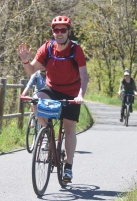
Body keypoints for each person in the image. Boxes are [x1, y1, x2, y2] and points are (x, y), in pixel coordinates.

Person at [18, 16, 89, 182]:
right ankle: (48, 133)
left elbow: (84, 75)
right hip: (53, 89)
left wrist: (80, 95)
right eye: (56, 30)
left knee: (69, 128)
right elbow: (31, 70)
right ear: (53, 32)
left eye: (63, 30)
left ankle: (68, 167)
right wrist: (25, 61)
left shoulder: (76, 50)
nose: (59, 33)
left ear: (68, 32)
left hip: (72, 92)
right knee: (35, 100)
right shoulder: (47, 48)